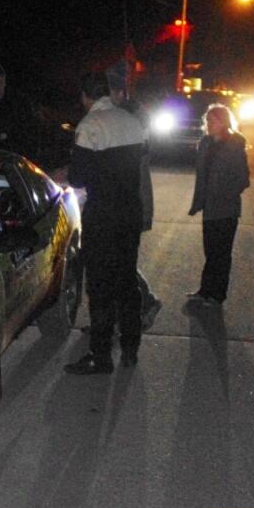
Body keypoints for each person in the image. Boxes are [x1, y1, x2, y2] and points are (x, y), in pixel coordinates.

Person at [64, 72, 146, 374]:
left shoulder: (90, 125)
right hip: (130, 211)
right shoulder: (132, 121)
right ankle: (130, 347)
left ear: (86, 97)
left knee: (100, 285)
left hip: (103, 215)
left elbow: (78, 177)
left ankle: (100, 355)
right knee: (126, 280)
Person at [109, 76, 163, 331]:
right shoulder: (125, 116)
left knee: (121, 263)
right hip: (123, 202)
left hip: (131, 203)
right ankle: (119, 315)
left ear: (120, 93)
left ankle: (147, 302)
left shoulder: (133, 119)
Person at [186, 104, 250, 306]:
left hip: (226, 209)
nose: (208, 124)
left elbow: (243, 178)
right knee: (210, 251)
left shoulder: (235, 144)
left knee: (221, 254)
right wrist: (200, 200)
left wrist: (225, 194)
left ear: (223, 122)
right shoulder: (205, 143)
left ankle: (217, 294)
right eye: (207, 120)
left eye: (212, 120)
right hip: (210, 207)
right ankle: (205, 290)